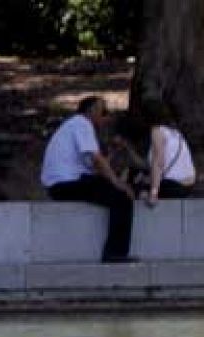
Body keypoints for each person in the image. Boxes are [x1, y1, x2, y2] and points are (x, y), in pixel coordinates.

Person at [41, 96, 138, 264]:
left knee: (113, 191)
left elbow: (94, 167)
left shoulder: (73, 126)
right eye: (103, 112)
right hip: (66, 183)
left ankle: (115, 252)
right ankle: (115, 253)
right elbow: (96, 159)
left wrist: (113, 154)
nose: (105, 117)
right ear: (91, 111)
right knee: (122, 199)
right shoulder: (81, 123)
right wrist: (118, 183)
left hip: (60, 185)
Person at [115, 98, 195, 206]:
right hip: (186, 185)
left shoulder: (156, 131)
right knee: (133, 173)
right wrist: (128, 148)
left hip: (173, 186)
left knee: (127, 188)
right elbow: (147, 165)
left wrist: (154, 192)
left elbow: (158, 162)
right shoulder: (174, 132)